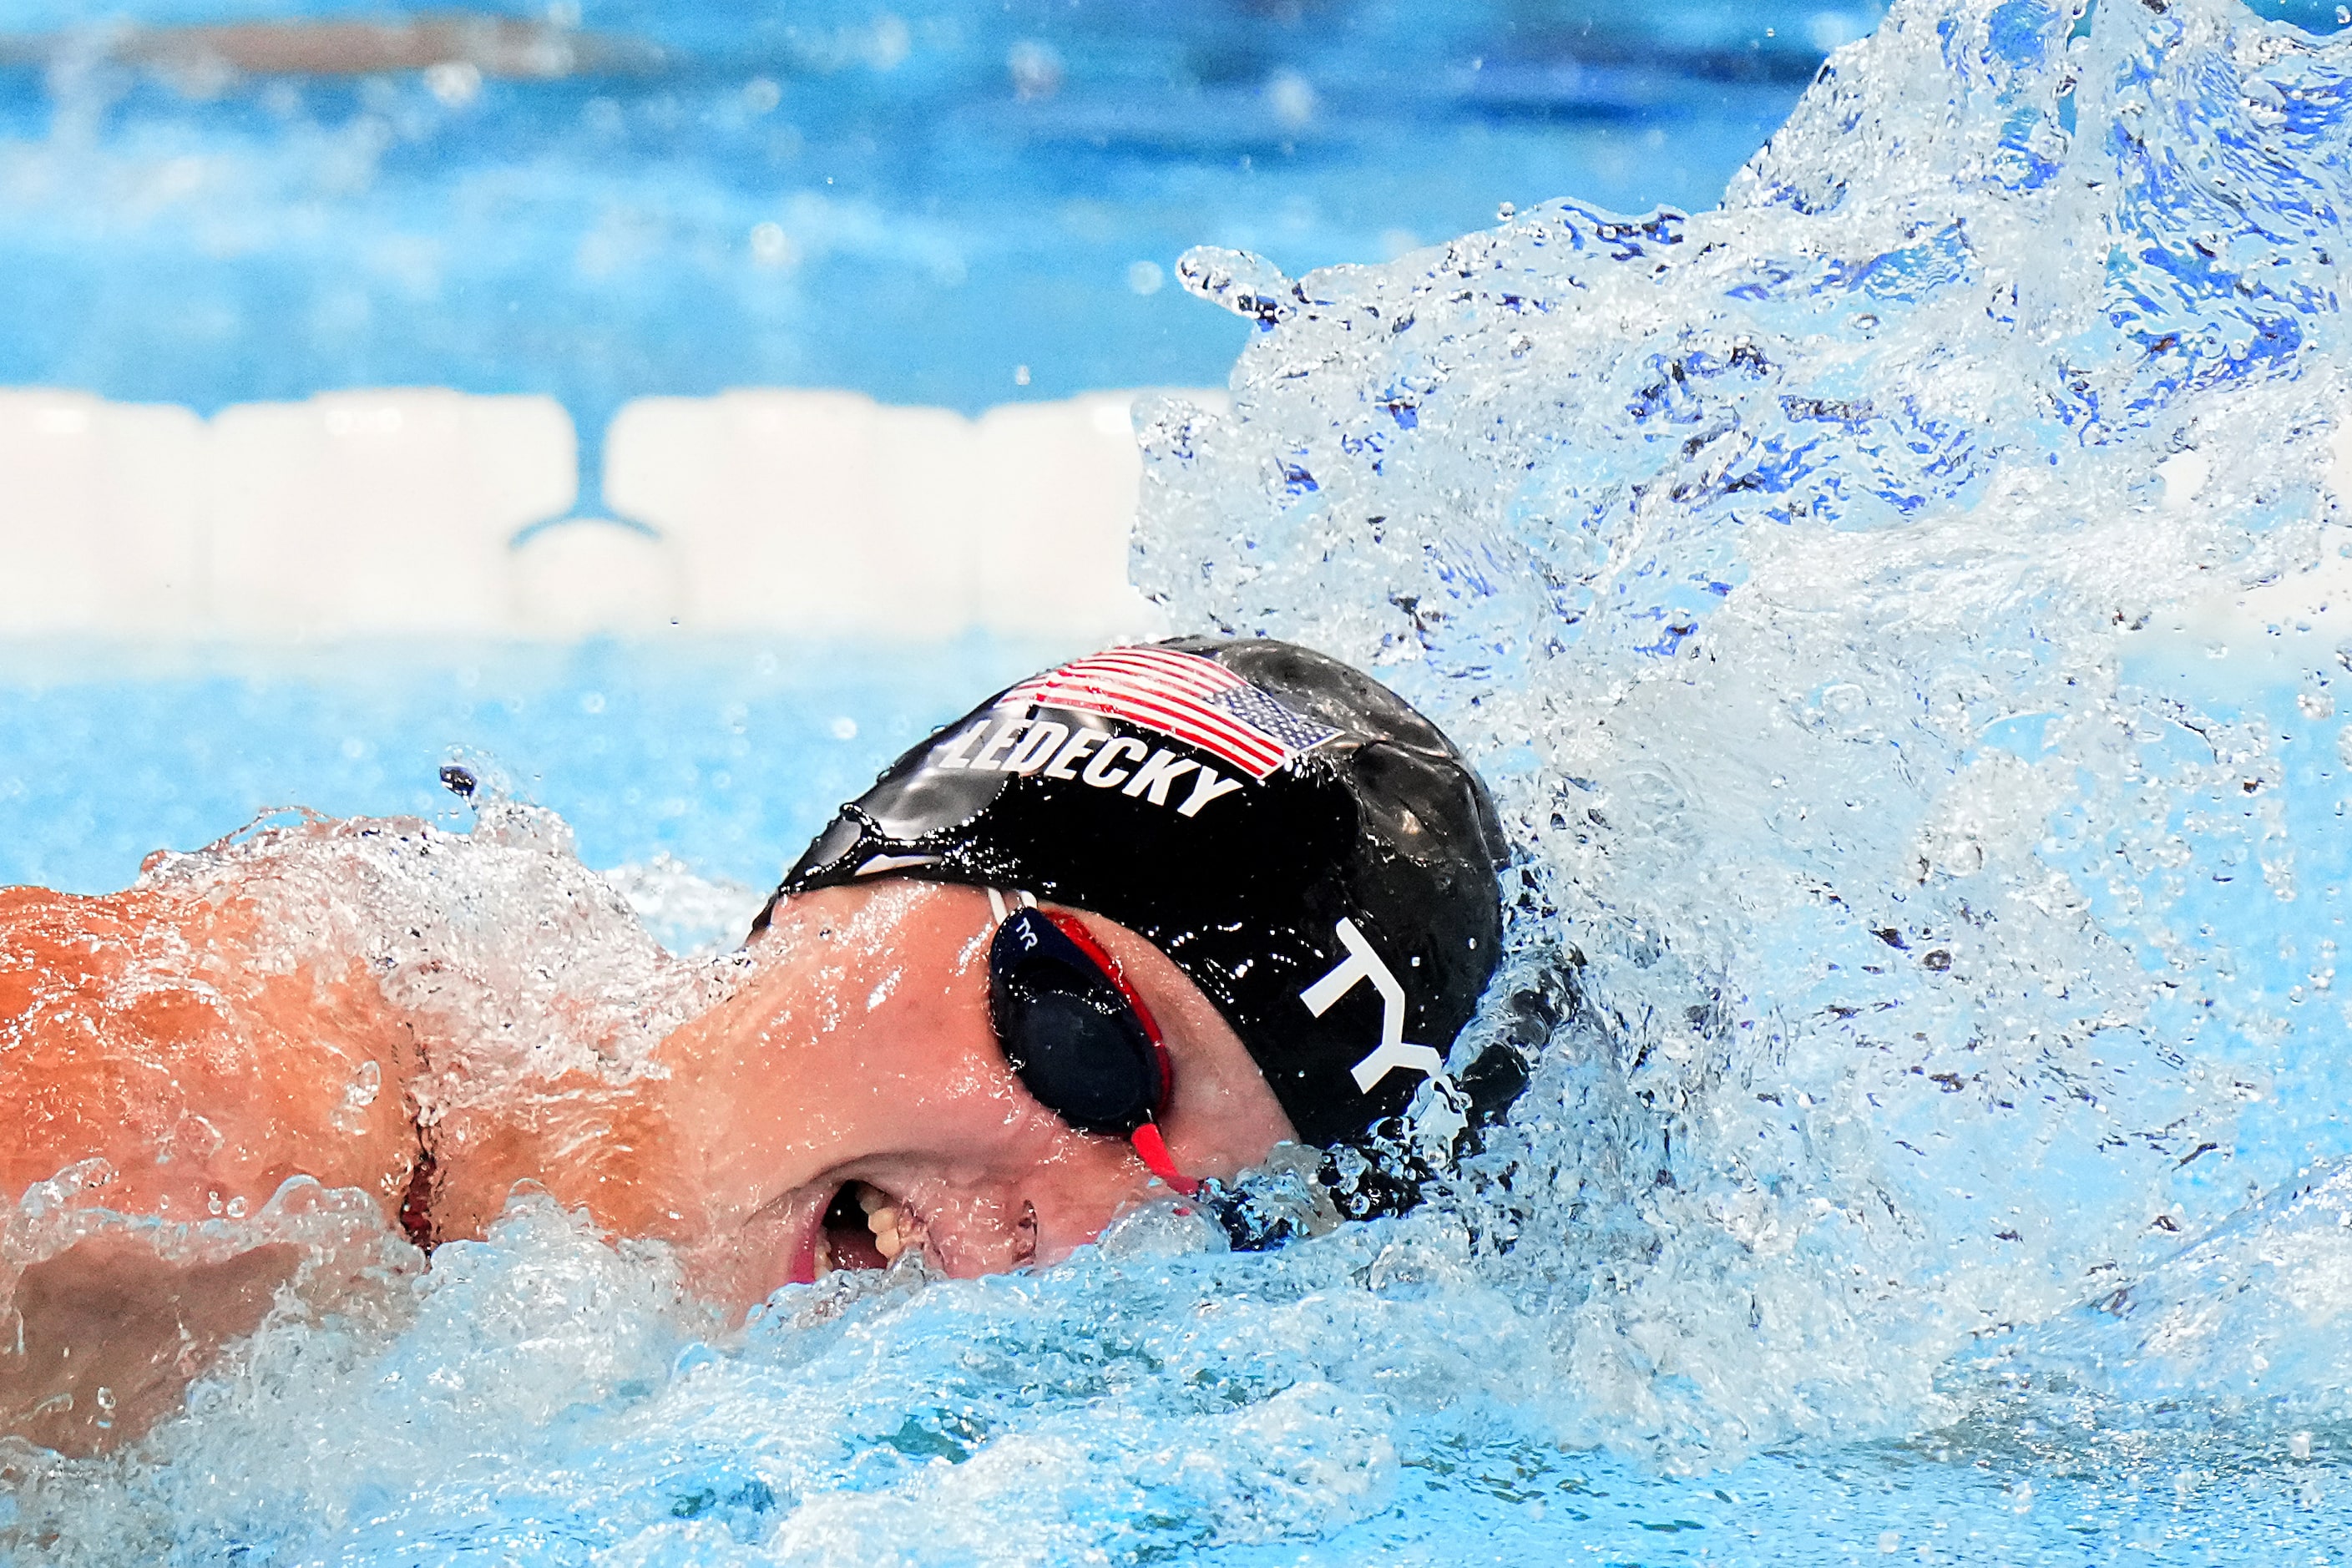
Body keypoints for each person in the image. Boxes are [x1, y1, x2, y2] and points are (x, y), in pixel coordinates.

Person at [0, 636, 1509, 1454]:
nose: (1071, 1233)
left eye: (1203, 1209)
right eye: (1086, 1045)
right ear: (851, 882)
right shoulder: (197, 1162)